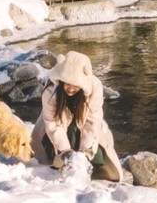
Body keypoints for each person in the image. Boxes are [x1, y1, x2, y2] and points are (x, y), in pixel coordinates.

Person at [31, 51, 122, 181]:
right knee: (66, 146)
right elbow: (52, 124)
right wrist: (65, 152)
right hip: (55, 130)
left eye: (76, 86)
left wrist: (85, 151)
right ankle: (62, 159)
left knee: (98, 159)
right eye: (67, 84)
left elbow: (93, 122)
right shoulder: (51, 92)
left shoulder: (94, 89)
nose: (71, 89)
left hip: (84, 126)